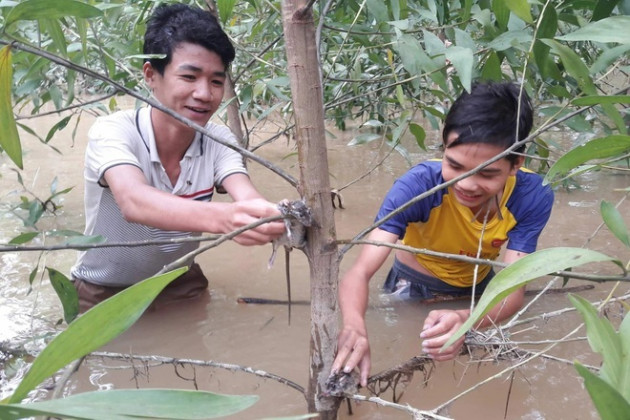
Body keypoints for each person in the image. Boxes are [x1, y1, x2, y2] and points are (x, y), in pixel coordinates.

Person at [331, 82, 554, 387]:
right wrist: (355, 325)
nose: (466, 184)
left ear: (517, 163)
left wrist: (466, 318)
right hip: (414, 288)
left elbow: (512, 291)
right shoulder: (417, 187)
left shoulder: (533, 196)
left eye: (487, 173)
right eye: (454, 165)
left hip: (479, 287)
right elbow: (359, 272)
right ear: (443, 147)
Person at [71, 3, 285, 312]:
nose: (205, 94)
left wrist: (271, 217)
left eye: (215, 81)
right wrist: (226, 219)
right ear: (151, 75)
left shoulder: (218, 139)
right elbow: (134, 201)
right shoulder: (114, 131)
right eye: (189, 77)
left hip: (179, 282)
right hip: (103, 290)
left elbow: (245, 195)